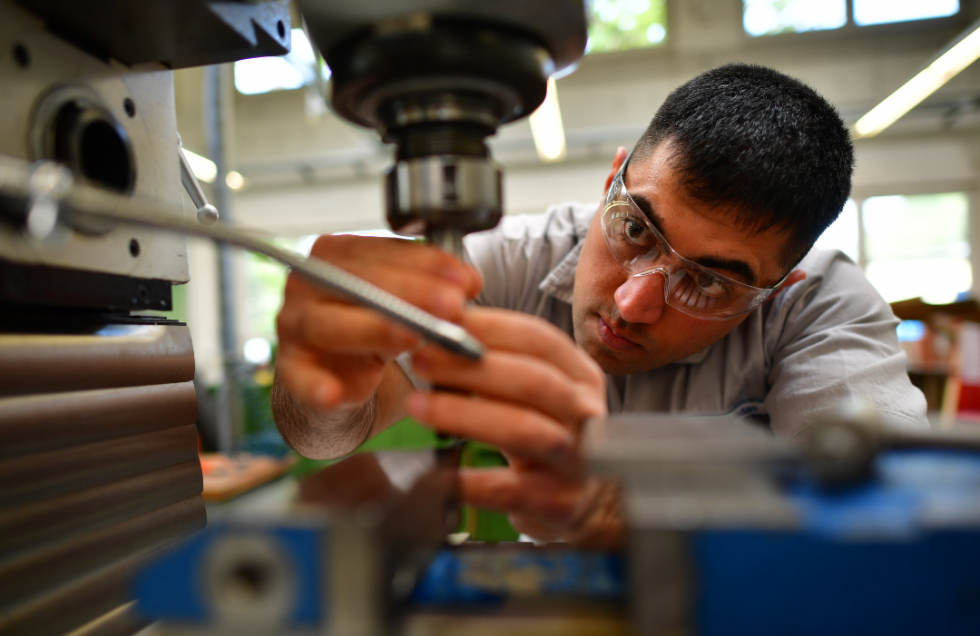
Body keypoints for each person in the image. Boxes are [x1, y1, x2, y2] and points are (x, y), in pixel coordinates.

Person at [271, 64, 927, 546]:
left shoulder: (823, 307)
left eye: (709, 281)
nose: (634, 302)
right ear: (612, 177)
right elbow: (327, 435)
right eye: (635, 228)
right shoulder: (508, 262)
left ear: (778, 286)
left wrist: (635, 521)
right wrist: (326, 387)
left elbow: (890, 528)